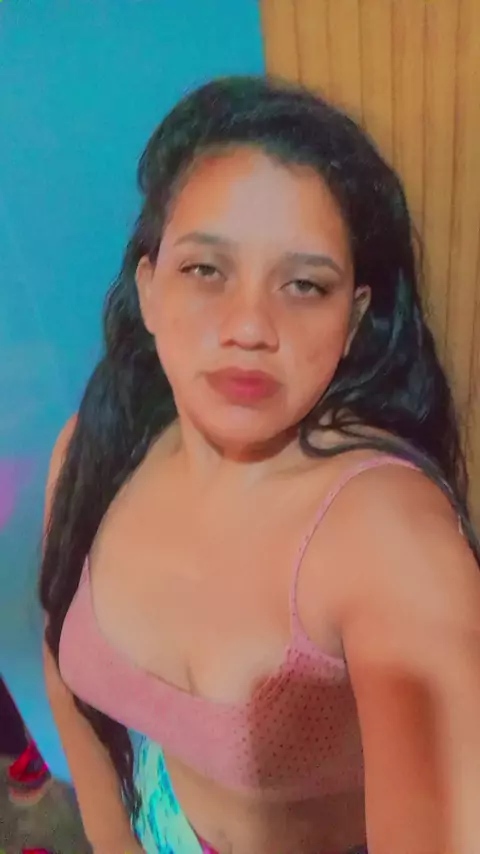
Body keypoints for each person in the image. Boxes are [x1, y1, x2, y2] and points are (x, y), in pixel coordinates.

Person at [39, 75, 480, 854]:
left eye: (305, 285)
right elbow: (67, 685)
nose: (249, 326)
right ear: (148, 289)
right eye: (206, 270)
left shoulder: (390, 541)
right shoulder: (94, 449)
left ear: (353, 321)